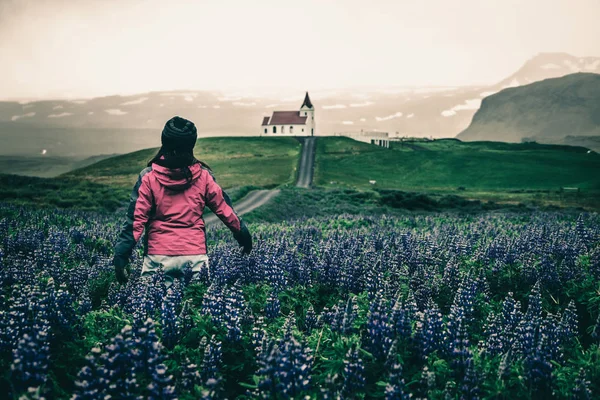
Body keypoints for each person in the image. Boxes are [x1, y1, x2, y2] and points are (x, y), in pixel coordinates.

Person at [112, 116, 252, 285]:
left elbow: (135, 222)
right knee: (196, 306)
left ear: (164, 141)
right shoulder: (203, 176)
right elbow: (225, 210)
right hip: (195, 256)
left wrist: (121, 254)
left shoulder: (148, 177)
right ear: (191, 145)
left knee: (153, 309)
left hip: (158, 256)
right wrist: (243, 235)